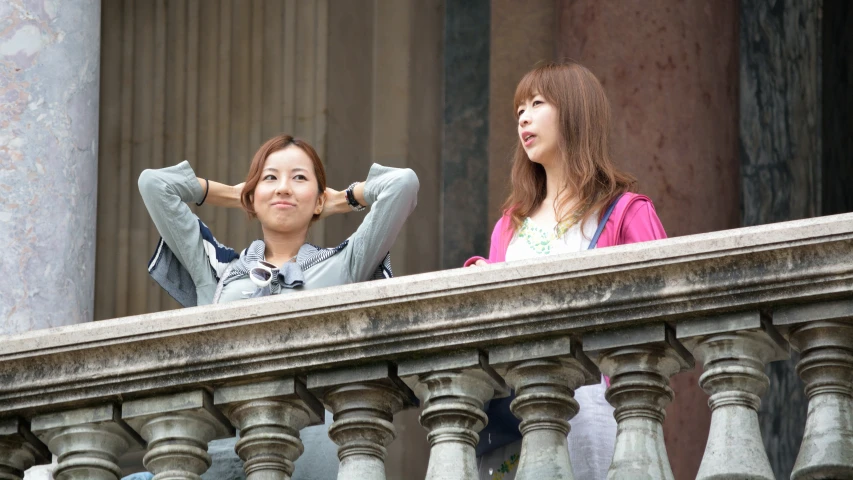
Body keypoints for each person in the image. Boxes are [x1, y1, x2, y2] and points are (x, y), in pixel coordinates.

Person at [123, 134, 418, 480]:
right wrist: (238, 195)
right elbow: (155, 184)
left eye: (299, 178)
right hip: (222, 450)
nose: (283, 188)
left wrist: (343, 198)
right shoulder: (218, 274)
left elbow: (402, 184)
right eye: (270, 178)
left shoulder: (343, 266)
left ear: (318, 199)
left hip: (311, 449)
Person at [466, 62, 666, 480]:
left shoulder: (625, 211)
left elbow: (661, 311)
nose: (523, 116)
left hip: (595, 403)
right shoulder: (510, 225)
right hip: (516, 412)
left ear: (576, 112)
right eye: (519, 108)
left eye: (537, 103)